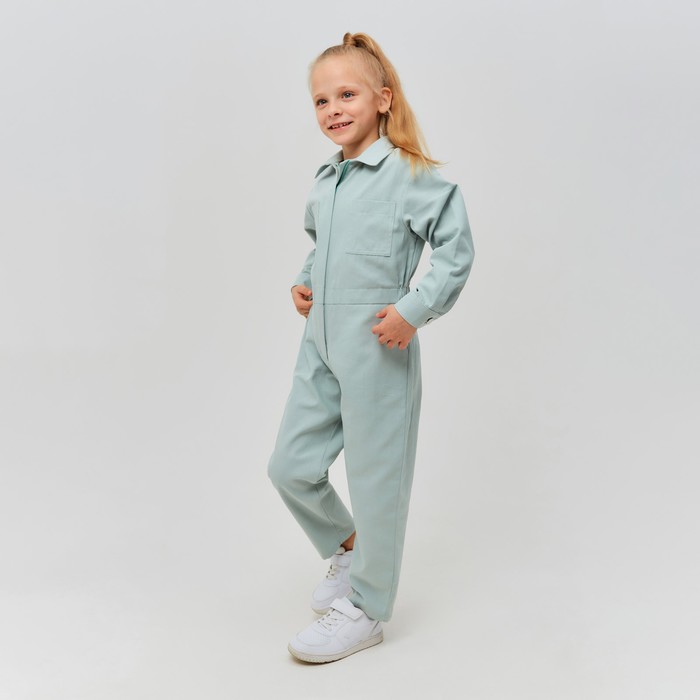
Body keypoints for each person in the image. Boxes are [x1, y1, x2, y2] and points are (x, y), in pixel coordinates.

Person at [267, 31, 475, 663]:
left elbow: (456, 249)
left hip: (379, 345)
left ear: (383, 99)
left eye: (347, 94)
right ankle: (347, 548)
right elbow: (322, 247)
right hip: (320, 343)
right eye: (321, 100)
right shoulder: (326, 179)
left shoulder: (409, 175)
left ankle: (368, 608)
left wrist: (413, 311)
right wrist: (305, 281)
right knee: (290, 466)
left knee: (375, 479)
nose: (333, 109)